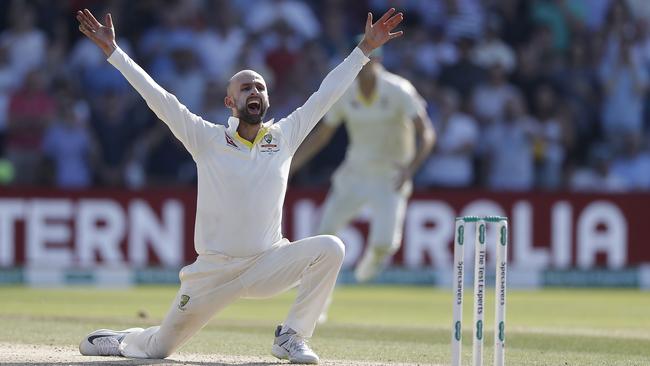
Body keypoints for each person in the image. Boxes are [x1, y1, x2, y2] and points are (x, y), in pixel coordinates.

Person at [75, 7, 403, 364]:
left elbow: (326, 95)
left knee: (331, 248)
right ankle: (127, 340)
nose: (254, 91)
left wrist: (363, 51)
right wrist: (115, 53)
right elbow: (159, 99)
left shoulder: (285, 136)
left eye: (260, 87)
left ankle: (291, 337)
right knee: (158, 351)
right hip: (214, 272)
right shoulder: (206, 138)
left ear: (267, 99)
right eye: (245, 87)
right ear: (230, 101)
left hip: (267, 262)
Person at [290, 46, 435, 286]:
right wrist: (291, 165)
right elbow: (322, 136)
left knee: (385, 243)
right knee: (323, 233)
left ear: (378, 60)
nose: (365, 65)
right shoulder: (346, 93)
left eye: (369, 59)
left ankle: (374, 260)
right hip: (355, 171)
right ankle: (314, 301)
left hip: (392, 174)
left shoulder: (399, 90)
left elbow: (427, 133)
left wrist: (412, 168)